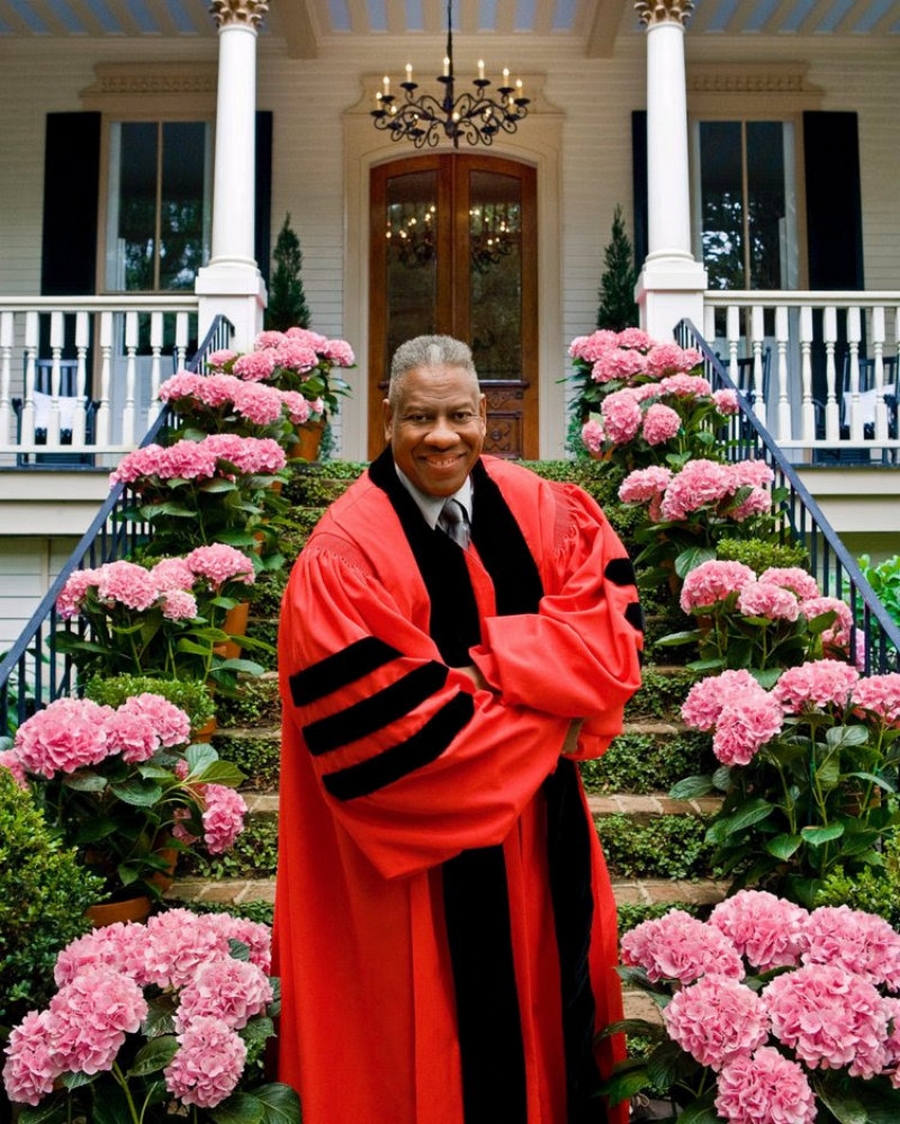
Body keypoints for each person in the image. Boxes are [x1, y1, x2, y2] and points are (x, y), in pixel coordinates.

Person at [273, 335, 643, 1124]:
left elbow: (610, 640)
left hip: (543, 839)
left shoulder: (544, 509)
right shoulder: (342, 555)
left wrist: (484, 672)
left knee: (555, 1020)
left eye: (459, 416)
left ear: (483, 413)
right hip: (420, 870)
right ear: (387, 418)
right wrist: (550, 699)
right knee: (431, 1059)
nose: (442, 437)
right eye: (419, 418)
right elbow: (392, 734)